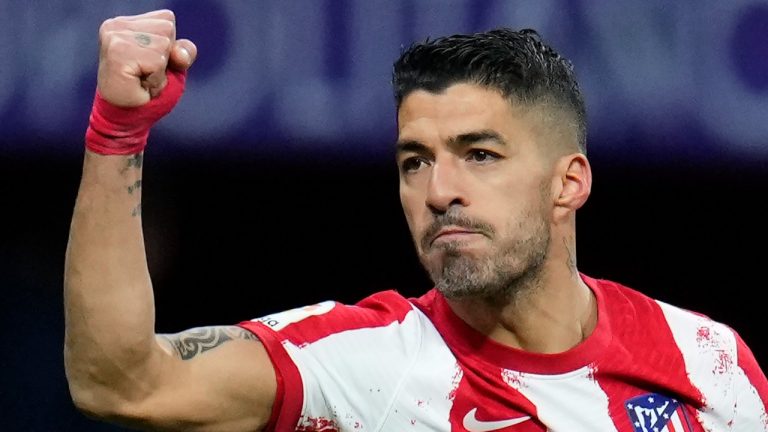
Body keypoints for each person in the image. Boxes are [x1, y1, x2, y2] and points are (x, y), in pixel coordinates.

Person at [64, 9, 767, 432]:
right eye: (414, 161)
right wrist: (118, 132)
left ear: (569, 183)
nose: (439, 191)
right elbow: (120, 382)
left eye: (479, 154)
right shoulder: (362, 366)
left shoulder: (711, 365)